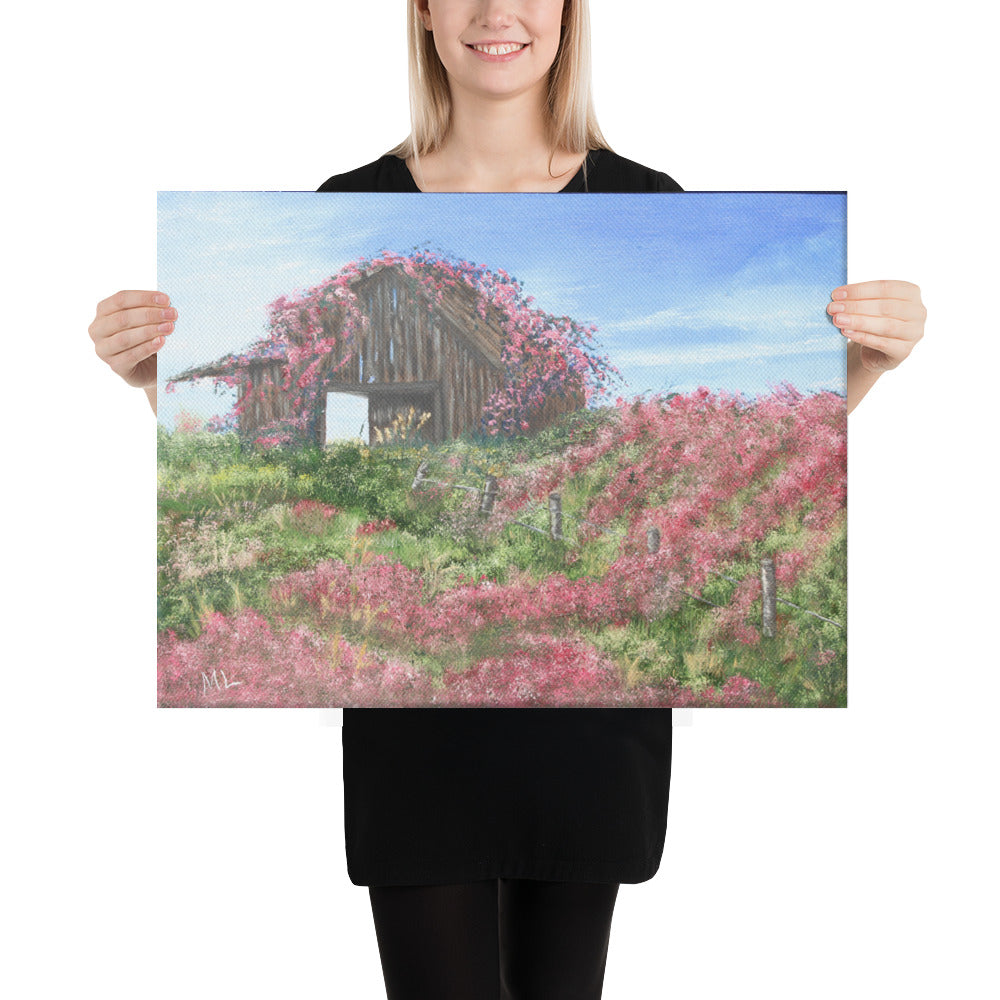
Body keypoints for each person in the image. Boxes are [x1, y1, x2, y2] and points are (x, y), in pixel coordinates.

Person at [89, 2, 926, 997]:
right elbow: (307, 449)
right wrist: (156, 383)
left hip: (589, 730)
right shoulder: (351, 210)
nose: (498, 12)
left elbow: (699, 467)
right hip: (416, 721)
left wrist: (859, 369)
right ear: (425, 15)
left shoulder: (645, 200)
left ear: (570, 15)